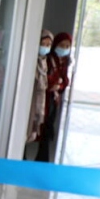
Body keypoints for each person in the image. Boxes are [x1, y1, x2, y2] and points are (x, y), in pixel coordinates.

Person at [36, 31, 73, 163]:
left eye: (67, 46)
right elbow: (48, 81)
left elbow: (65, 81)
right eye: (61, 45)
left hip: (53, 100)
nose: (64, 49)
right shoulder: (49, 59)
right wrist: (57, 84)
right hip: (42, 99)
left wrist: (60, 85)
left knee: (47, 130)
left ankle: (42, 159)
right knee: (37, 127)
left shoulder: (64, 62)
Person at [24, 30, 53, 159]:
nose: (45, 47)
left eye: (48, 45)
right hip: (28, 101)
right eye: (43, 43)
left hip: (38, 101)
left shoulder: (44, 61)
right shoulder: (30, 61)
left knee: (31, 130)